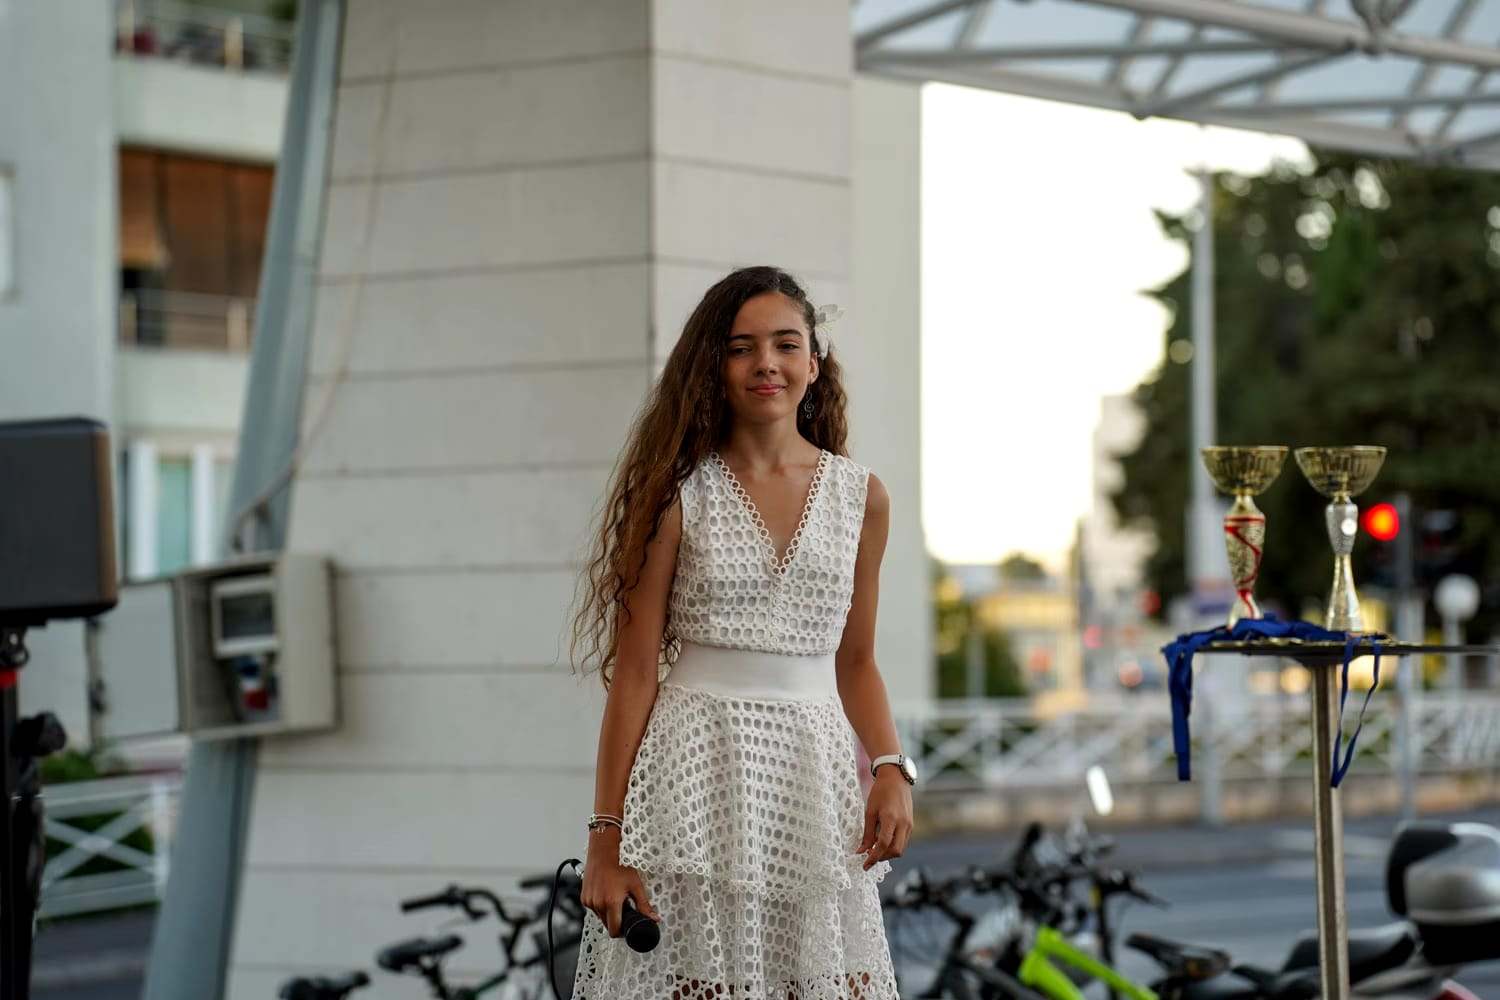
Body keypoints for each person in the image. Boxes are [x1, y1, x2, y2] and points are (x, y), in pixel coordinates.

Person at [568, 265, 913, 998]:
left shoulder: (863, 498)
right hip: (693, 779)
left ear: (814, 362)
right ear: (713, 368)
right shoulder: (676, 495)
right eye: (740, 348)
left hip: (812, 784)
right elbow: (635, 674)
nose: (766, 363)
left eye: (786, 344)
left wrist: (891, 767)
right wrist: (605, 839)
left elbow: (857, 661)